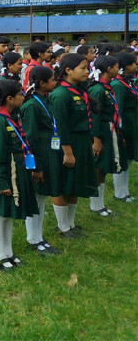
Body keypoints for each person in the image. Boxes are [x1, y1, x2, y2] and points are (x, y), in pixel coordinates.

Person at [0, 79, 39, 272]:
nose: (23, 97)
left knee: (8, 214)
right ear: (9, 98)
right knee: (0, 214)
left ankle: (9, 252)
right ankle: (0, 255)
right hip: (5, 173)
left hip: (16, 169)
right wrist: (0, 181)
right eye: (20, 94)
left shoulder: (13, 116)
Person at [49, 53, 98, 238]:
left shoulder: (78, 90)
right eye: (83, 68)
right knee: (64, 183)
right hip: (67, 144)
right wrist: (67, 153)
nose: (87, 71)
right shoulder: (61, 94)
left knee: (75, 183)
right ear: (68, 70)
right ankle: (63, 226)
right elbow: (61, 126)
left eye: (87, 68)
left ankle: (70, 223)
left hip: (82, 141)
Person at [19, 66, 63, 256]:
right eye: (53, 80)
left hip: (50, 151)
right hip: (39, 155)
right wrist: (34, 166)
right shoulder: (31, 106)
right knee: (36, 197)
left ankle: (38, 236)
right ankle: (33, 238)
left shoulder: (47, 100)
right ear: (42, 84)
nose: (56, 83)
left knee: (42, 197)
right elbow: (29, 139)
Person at [87, 56, 122, 216]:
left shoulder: (106, 87)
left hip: (107, 130)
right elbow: (94, 116)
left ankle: (100, 203)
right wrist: (96, 139)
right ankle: (95, 204)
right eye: (116, 67)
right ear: (109, 69)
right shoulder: (97, 89)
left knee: (103, 168)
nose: (118, 69)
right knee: (98, 167)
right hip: (99, 131)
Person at [111, 51, 137, 202]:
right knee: (122, 158)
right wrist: (119, 131)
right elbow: (117, 109)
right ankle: (119, 192)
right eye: (134, 63)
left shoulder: (127, 81)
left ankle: (124, 190)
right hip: (124, 125)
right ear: (126, 66)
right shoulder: (118, 85)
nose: (136, 65)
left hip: (131, 123)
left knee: (128, 158)